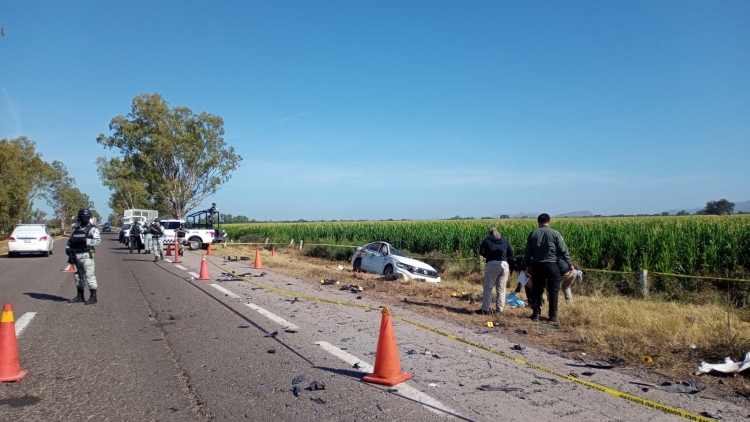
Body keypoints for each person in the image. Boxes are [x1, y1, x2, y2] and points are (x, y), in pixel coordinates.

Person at [524, 213, 573, 322]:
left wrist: (528, 266)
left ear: (538, 222)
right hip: (552, 265)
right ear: (549, 221)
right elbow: (563, 250)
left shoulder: (533, 233)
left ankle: (536, 314)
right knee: (553, 291)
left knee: (537, 290)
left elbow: (527, 252)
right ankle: (552, 316)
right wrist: (570, 264)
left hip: (537, 265)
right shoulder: (555, 233)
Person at [66, 209, 102, 305]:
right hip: (76, 255)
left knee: (89, 276)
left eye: (85, 217)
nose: (83, 218)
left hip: (86, 255)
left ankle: (93, 297)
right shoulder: (76, 229)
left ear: (89, 218)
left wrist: (86, 241)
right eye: (81, 217)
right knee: (78, 276)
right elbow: (70, 241)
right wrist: (68, 249)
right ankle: (80, 296)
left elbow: (98, 241)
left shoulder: (93, 229)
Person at [476, 227, 514, 315]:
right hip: (504, 265)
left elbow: (481, 252)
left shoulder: (487, 240)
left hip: (492, 264)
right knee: (501, 289)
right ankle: (499, 309)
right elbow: (511, 252)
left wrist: (489, 256)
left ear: (489, 233)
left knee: (488, 287)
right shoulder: (504, 240)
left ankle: (485, 309)